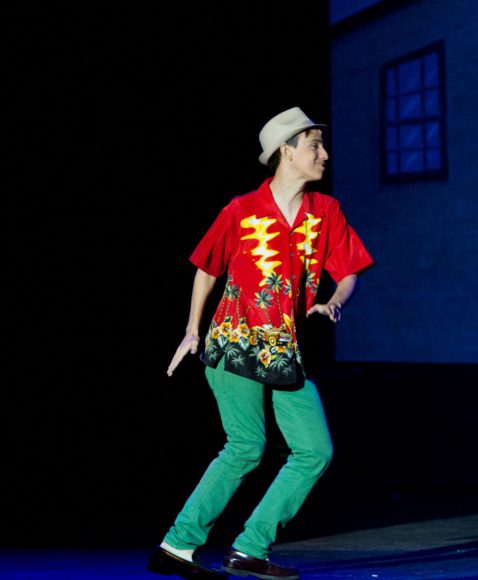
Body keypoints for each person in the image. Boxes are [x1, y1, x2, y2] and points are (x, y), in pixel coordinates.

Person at [147, 107, 374, 579]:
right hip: (235, 343)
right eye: (314, 146)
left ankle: (249, 547)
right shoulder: (241, 209)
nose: (324, 155)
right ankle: (177, 545)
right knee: (246, 446)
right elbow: (207, 267)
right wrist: (192, 330)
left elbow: (349, 269)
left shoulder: (325, 211)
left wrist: (335, 301)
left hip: (286, 351)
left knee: (314, 450)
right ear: (286, 152)